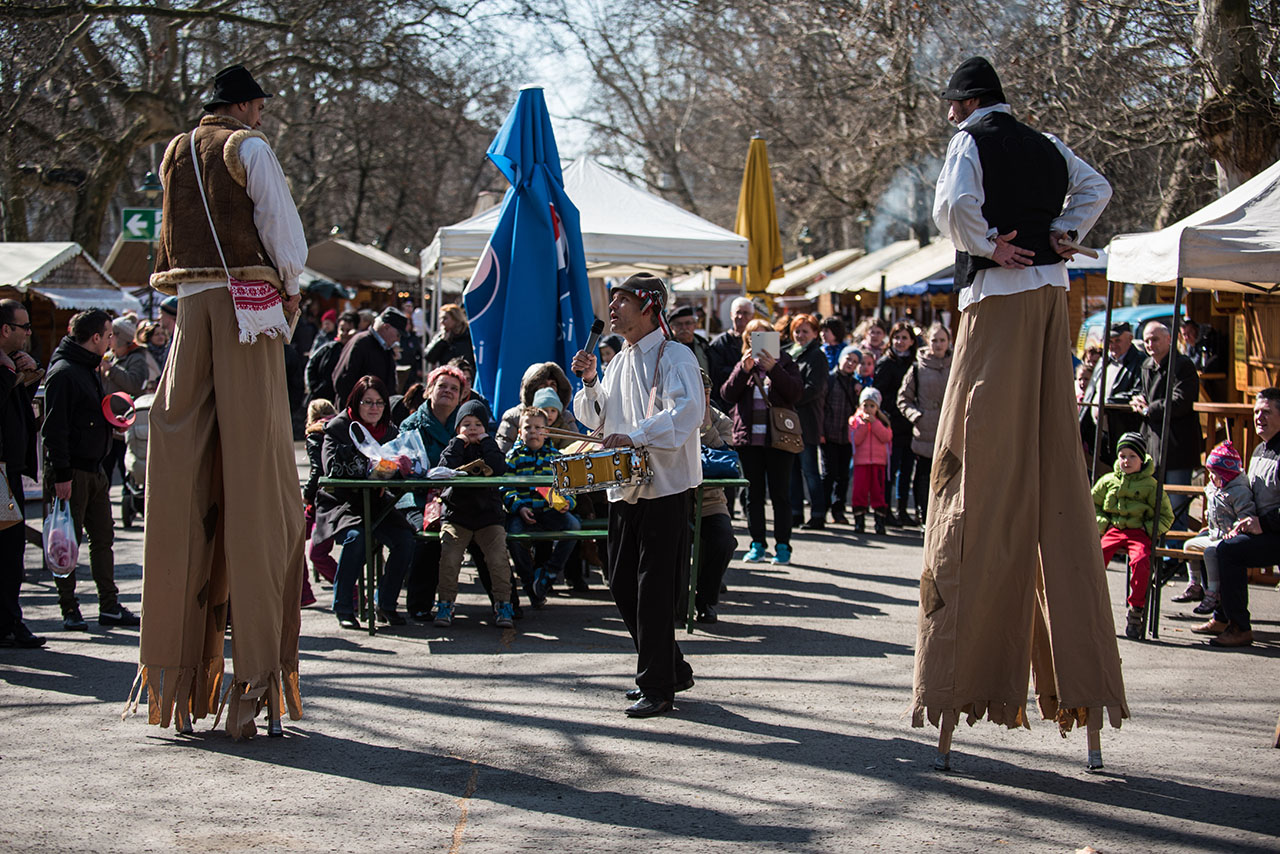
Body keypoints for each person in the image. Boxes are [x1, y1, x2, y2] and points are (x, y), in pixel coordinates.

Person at [917, 56, 1125, 769]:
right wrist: (1063, 234)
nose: (949, 115)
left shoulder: (968, 140)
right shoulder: (1046, 144)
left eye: (951, 106)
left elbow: (952, 210)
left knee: (979, 476)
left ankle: (959, 686)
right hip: (1051, 301)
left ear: (965, 104)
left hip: (1000, 301)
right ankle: (1084, 708)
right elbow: (1097, 186)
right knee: (1051, 461)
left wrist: (988, 245)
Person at [134, 64, 308, 738]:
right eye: (258, 106)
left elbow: (166, 239)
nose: (261, 116)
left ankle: (175, 687)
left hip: (190, 313)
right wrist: (290, 286)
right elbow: (282, 232)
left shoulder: (173, 150)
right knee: (262, 486)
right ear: (244, 106)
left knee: (180, 484)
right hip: (248, 313)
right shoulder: (247, 147)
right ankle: (255, 684)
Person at [571, 272, 702, 718]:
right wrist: (590, 381)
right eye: (612, 302)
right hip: (624, 486)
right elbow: (597, 419)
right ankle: (672, 667)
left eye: (621, 300)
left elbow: (687, 413)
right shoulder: (621, 360)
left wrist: (635, 435)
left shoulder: (676, 354)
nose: (612, 310)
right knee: (622, 584)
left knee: (654, 588)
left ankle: (657, 685)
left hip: (665, 487)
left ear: (648, 306)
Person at [41, 310, 136, 632]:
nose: (112, 340)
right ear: (95, 337)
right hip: (73, 473)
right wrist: (62, 475)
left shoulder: (87, 367)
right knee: (66, 542)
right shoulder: (65, 372)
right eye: (109, 334)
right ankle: (69, 607)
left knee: (103, 539)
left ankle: (108, 605)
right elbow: (54, 430)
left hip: (96, 470)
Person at [313, 376, 415, 629]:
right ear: (355, 402)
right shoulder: (339, 427)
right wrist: (367, 464)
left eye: (379, 402)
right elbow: (332, 469)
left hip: (378, 500)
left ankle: (386, 603)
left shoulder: (390, 430)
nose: (374, 408)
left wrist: (402, 466)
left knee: (406, 540)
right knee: (356, 538)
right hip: (342, 502)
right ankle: (345, 606)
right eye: (367, 402)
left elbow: (402, 464)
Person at [1193, 388, 1280, 648]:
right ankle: (1221, 616)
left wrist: (1261, 523)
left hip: (1274, 533)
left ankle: (1239, 626)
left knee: (1228, 551)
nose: (1258, 417)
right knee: (1210, 540)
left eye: (1266, 412)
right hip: (1257, 527)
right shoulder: (1259, 450)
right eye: (1256, 412)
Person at [720, 318, 803, 565]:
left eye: (765, 335)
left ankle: (783, 545)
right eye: (754, 336)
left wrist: (774, 369)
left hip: (779, 439)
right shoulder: (744, 364)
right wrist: (742, 370)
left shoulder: (786, 362)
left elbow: (796, 393)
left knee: (780, 494)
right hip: (749, 440)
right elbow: (727, 395)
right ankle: (757, 544)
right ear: (747, 340)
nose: (759, 341)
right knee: (753, 495)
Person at [434, 399, 516, 629]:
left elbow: (499, 467)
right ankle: (445, 603)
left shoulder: (490, 447)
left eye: (478, 424)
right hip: (457, 514)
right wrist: (459, 443)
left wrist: (487, 441)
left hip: (488, 516)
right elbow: (444, 467)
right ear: (457, 428)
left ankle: (503, 603)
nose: (472, 429)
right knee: (449, 557)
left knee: (499, 558)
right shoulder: (454, 447)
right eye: (466, 424)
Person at [399, 364, 467, 620]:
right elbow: (405, 465)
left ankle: (504, 603)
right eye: (442, 386)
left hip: (457, 496)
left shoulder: (465, 422)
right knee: (428, 536)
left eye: (454, 388)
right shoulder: (411, 424)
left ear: (462, 396)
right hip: (417, 497)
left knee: (485, 529)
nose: (448, 392)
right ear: (429, 390)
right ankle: (419, 603)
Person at [1092, 432, 1173, 639]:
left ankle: (1136, 608)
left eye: (1132, 456)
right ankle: (1090, 601)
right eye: (1122, 456)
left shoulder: (1151, 485)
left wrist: (1148, 529)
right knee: (1096, 555)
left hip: (1138, 532)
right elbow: (1093, 504)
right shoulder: (1109, 480)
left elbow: (1164, 514)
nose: (1126, 461)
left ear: (1142, 459)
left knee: (1141, 561)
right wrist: (1103, 523)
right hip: (1114, 529)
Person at [501, 409, 581, 606]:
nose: (533, 432)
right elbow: (505, 487)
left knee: (574, 526)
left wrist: (567, 503)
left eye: (538, 428)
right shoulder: (513, 456)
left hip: (549, 511)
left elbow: (569, 487)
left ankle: (550, 572)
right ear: (520, 432)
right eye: (528, 427)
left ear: (547, 432)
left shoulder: (556, 457)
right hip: (523, 512)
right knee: (514, 535)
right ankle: (529, 581)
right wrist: (518, 507)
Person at [0, 300, 44, 648]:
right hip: (0, 474)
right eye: (24, 327)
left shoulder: (9, 363)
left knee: (12, 553)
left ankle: (10, 621)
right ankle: (9, 623)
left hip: (9, 472)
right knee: (7, 551)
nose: (29, 333)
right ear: (5, 330)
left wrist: (26, 379)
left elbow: (16, 410)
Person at [1130, 322, 1201, 535]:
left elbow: (1180, 402)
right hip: (1152, 445)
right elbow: (1139, 391)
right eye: (1147, 340)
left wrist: (1149, 409)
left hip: (1177, 445)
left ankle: (1173, 560)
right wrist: (1137, 400)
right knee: (1152, 506)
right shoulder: (1146, 366)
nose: (1150, 344)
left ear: (1169, 340)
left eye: (1155, 339)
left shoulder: (1182, 365)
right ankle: (1157, 557)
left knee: (1175, 507)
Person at [1176, 441, 1254, 614]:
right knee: (1189, 545)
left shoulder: (1239, 492)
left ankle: (1213, 593)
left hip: (1229, 538)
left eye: (1214, 474)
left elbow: (1245, 516)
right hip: (1214, 534)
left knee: (1211, 552)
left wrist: (1235, 530)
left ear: (1226, 475)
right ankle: (1195, 585)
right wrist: (1208, 527)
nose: (1210, 477)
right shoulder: (1215, 489)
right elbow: (1214, 514)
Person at [898, 323, 953, 529]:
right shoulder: (917, 367)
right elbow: (903, 398)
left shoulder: (956, 364)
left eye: (942, 340)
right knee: (923, 475)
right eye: (934, 340)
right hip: (925, 429)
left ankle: (945, 516)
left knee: (949, 474)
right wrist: (917, 416)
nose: (938, 345)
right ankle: (924, 515)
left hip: (949, 428)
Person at [694, 369, 737, 623]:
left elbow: (725, 457)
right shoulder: (663, 415)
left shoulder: (722, 421)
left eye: (705, 393)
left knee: (723, 541)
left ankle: (706, 599)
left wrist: (705, 422)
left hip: (709, 499)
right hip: (673, 496)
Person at [1080, 321, 1145, 465]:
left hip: (1121, 431)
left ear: (1129, 339)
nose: (1113, 345)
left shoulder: (1140, 362)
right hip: (1097, 432)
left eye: (1118, 340)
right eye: (1109, 341)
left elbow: (1139, 392)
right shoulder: (1104, 361)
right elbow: (1091, 392)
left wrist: (1108, 404)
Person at [874, 320, 918, 527]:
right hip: (892, 423)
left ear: (911, 341)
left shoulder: (916, 363)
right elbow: (880, 393)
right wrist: (894, 409)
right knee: (890, 469)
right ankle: (885, 509)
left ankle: (902, 509)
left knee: (907, 470)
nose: (900, 342)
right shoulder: (886, 362)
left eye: (904, 338)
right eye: (896, 337)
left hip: (911, 424)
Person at [786, 314, 828, 530]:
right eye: (797, 331)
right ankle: (795, 512)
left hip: (807, 419)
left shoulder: (816, 355)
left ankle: (818, 513)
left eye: (805, 331)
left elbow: (815, 387)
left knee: (810, 469)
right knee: (792, 468)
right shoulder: (790, 352)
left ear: (814, 333)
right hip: (789, 420)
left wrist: (790, 394)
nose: (800, 335)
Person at [495, 361, 581, 453]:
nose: (548, 389)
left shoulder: (565, 418)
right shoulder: (514, 417)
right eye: (542, 385)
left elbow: (574, 451)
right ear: (531, 388)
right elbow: (502, 453)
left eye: (553, 384)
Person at [822, 345, 863, 525]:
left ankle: (838, 510)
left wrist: (859, 393)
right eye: (848, 359)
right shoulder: (829, 380)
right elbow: (821, 407)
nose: (850, 363)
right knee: (828, 474)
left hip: (847, 437)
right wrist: (821, 432)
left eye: (855, 361)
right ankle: (821, 510)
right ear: (841, 359)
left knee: (843, 476)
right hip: (829, 434)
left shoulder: (855, 385)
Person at [332, 307, 406, 406]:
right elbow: (342, 381)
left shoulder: (385, 349)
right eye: (398, 335)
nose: (397, 340)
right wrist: (359, 408)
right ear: (386, 327)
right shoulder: (361, 343)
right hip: (356, 415)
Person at [302, 399, 338, 590]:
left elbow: (317, 471)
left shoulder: (315, 434)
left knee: (306, 548)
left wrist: (307, 494)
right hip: (329, 500)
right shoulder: (340, 427)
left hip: (322, 502)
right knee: (295, 540)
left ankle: (349, 593)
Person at [850, 387, 893, 535]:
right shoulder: (855, 420)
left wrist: (874, 423)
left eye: (872, 405)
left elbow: (886, 437)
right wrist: (863, 425)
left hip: (878, 462)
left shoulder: (882, 421)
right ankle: (859, 521)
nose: (868, 409)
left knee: (878, 492)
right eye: (865, 405)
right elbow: (855, 439)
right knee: (860, 491)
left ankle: (879, 522)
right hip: (861, 462)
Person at [708, 296, 756, 410]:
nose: (741, 316)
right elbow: (716, 374)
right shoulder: (718, 343)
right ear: (731, 314)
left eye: (746, 313)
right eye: (738, 312)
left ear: (753, 316)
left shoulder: (759, 340)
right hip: (728, 403)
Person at [305, 310, 357, 407]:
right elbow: (311, 366)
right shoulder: (328, 349)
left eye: (348, 330)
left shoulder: (359, 352)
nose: (344, 333)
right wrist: (315, 387)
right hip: (323, 400)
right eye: (342, 329)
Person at [424, 303, 474, 369]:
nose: (442, 322)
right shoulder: (442, 335)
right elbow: (429, 357)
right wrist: (442, 341)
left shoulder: (469, 335)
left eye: (445, 318)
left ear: (455, 318)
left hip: (466, 374)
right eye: (440, 319)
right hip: (448, 374)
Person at [670, 305, 711, 376]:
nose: (684, 328)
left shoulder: (704, 345)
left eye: (688, 323)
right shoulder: (668, 348)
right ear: (671, 327)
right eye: (679, 324)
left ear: (695, 325)